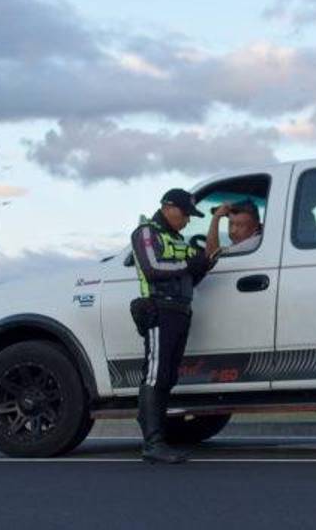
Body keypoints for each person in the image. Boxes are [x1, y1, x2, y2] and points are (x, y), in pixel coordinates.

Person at [129, 188, 213, 464]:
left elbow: (195, 269)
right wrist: (190, 263)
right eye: (185, 214)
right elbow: (153, 267)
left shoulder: (178, 240)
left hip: (181, 312)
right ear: (168, 207)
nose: (187, 220)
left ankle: (158, 439)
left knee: (167, 376)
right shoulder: (145, 232)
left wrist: (202, 263)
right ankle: (152, 444)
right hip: (159, 309)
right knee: (155, 375)